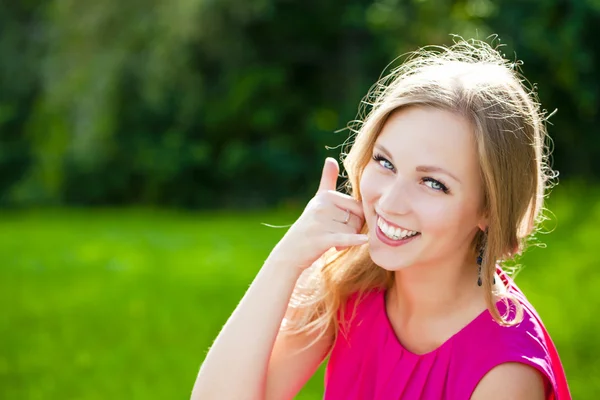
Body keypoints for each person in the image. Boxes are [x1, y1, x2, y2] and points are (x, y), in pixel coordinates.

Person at [191, 38, 572, 400]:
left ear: (490, 209)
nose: (389, 202)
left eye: (433, 183)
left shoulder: (505, 372)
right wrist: (286, 260)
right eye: (385, 162)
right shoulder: (350, 278)